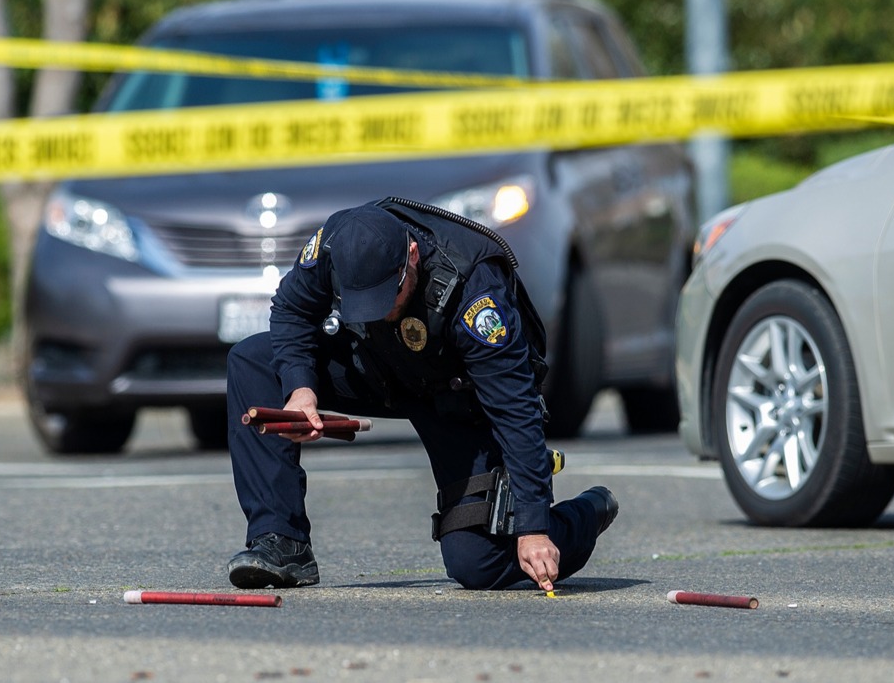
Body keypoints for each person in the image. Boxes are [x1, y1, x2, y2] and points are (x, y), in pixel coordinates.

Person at [224, 197, 618, 592]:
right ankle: (282, 543)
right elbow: (292, 310)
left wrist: (533, 527)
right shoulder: (336, 244)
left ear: (411, 255)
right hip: (380, 370)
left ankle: (585, 514)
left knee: (477, 564)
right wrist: (301, 390)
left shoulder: (475, 293)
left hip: (459, 399)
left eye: (386, 297)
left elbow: (516, 410)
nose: (377, 311)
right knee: (252, 361)